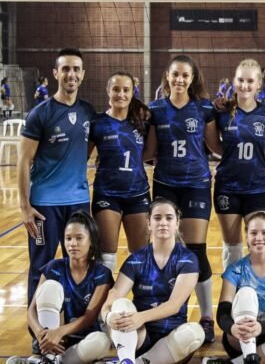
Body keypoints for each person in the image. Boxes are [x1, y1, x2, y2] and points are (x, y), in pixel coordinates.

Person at [145, 54, 221, 343]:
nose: (179, 80)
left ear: (192, 79)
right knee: (165, 250)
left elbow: (215, 146)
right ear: (167, 76)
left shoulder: (203, 108)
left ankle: (206, 317)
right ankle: (168, 313)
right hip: (165, 184)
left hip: (196, 184)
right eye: (175, 74)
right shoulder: (155, 110)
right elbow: (150, 151)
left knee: (197, 251)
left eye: (185, 75)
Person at [18, 47, 96, 306]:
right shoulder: (40, 113)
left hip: (78, 202)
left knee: (80, 261)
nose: (71, 74)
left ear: (82, 74)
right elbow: (23, 160)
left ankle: (73, 322)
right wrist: (24, 206)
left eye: (75, 69)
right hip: (44, 205)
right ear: (55, 73)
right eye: (65, 69)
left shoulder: (88, 112)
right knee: (42, 265)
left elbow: (87, 148)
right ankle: (38, 330)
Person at [100, 198, 205, 363]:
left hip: (172, 338)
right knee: (120, 306)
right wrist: (107, 316)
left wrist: (141, 317)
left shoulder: (188, 260)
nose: (163, 222)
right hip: (139, 336)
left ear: (177, 223)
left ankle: (132, 361)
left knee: (196, 333)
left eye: (169, 218)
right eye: (157, 218)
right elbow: (114, 294)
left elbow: (174, 305)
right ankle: (128, 359)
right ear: (149, 223)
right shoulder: (136, 260)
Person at [7, 212, 113, 364]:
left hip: (83, 341)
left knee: (102, 341)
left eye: (79, 238)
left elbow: (89, 318)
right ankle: (49, 356)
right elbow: (31, 311)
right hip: (52, 340)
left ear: (91, 241)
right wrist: (42, 334)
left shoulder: (102, 274)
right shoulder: (54, 267)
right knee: (50, 287)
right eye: (68, 238)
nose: (72, 243)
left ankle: (53, 362)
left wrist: (59, 332)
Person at [205, 211, 265, 364]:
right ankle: (250, 354)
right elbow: (222, 313)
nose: (259, 238)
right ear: (247, 236)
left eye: (264, 233)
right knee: (246, 293)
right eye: (253, 233)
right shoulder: (235, 269)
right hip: (240, 336)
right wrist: (232, 328)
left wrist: (260, 327)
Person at [214, 59, 265, 270]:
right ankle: (231, 298)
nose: (245, 85)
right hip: (228, 187)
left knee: (262, 246)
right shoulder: (223, 112)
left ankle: (261, 295)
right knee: (232, 249)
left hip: (258, 187)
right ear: (234, 81)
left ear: (259, 84)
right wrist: (230, 155)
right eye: (240, 80)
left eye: (250, 81)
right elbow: (212, 144)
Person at [88, 71, 151, 273]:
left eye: (126, 90)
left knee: (141, 256)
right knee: (106, 257)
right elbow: (81, 157)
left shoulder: (142, 122)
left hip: (138, 193)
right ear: (108, 91)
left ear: (133, 93)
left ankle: (142, 302)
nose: (121, 94)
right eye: (116, 89)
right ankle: (104, 303)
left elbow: (150, 153)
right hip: (107, 194)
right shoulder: (97, 123)